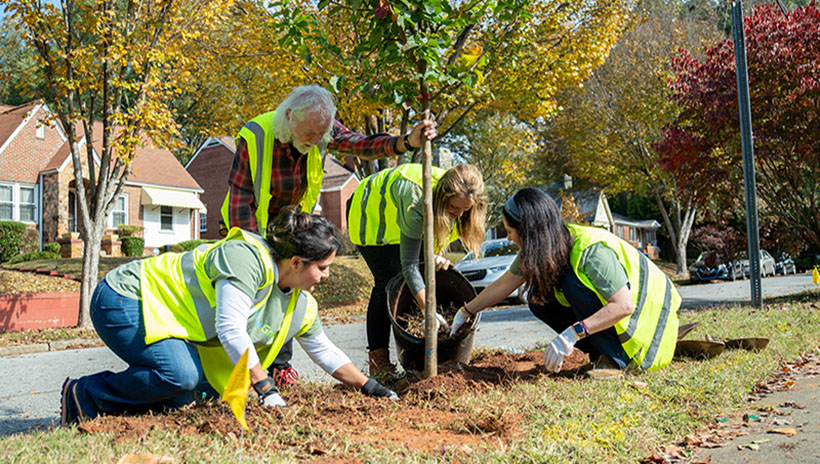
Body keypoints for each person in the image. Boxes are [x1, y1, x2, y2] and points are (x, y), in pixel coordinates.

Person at [60, 208, 397, 426]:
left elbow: (325, 350)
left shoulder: (300, 302)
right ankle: (84, 396)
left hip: (169, 319)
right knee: (179, 376)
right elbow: (230, 328)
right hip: (127, 296)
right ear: (296, 262)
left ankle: (118, 413)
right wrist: (265, 387)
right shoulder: (246, 259)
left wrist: (369, 386)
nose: (326, 276)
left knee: (188, 396)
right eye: (322, 268)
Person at [220, 85, 437, 388]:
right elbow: (241, 198)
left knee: (290, 289)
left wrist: (405, 142)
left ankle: (280, 368)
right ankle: (247, 368)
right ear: (289, 117)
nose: (315, 141)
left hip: (293, 224)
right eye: (309, 133)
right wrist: (252, 249)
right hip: (254, 223)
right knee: (260, 290)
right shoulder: (255, 136)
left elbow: (358, 143)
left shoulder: (320, 128)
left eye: (320, 135)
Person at [449, 188, 680, 372]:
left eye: (510, 231)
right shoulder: (550, 247)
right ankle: (602, 352)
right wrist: (466, 311)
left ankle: (616, 358)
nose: (509, 238)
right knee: (538, 299)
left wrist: (571, 334)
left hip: (648, 341)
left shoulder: (590, 251)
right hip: (628, 328)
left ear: (529, 232)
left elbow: (624, 306)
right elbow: (504, 284)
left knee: (570, 283)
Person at [347, 163, 487, 377]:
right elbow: (410, 264)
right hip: (372, 216)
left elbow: (433, 236)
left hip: (404, 218)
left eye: (465, 209)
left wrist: (435, 255)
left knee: (424, 275)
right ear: (442, 199)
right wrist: (428, 312)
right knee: (388, 282)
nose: (459, 214)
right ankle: (379, 363)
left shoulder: (461, 196)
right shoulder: (417, 198)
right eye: (453, 208)